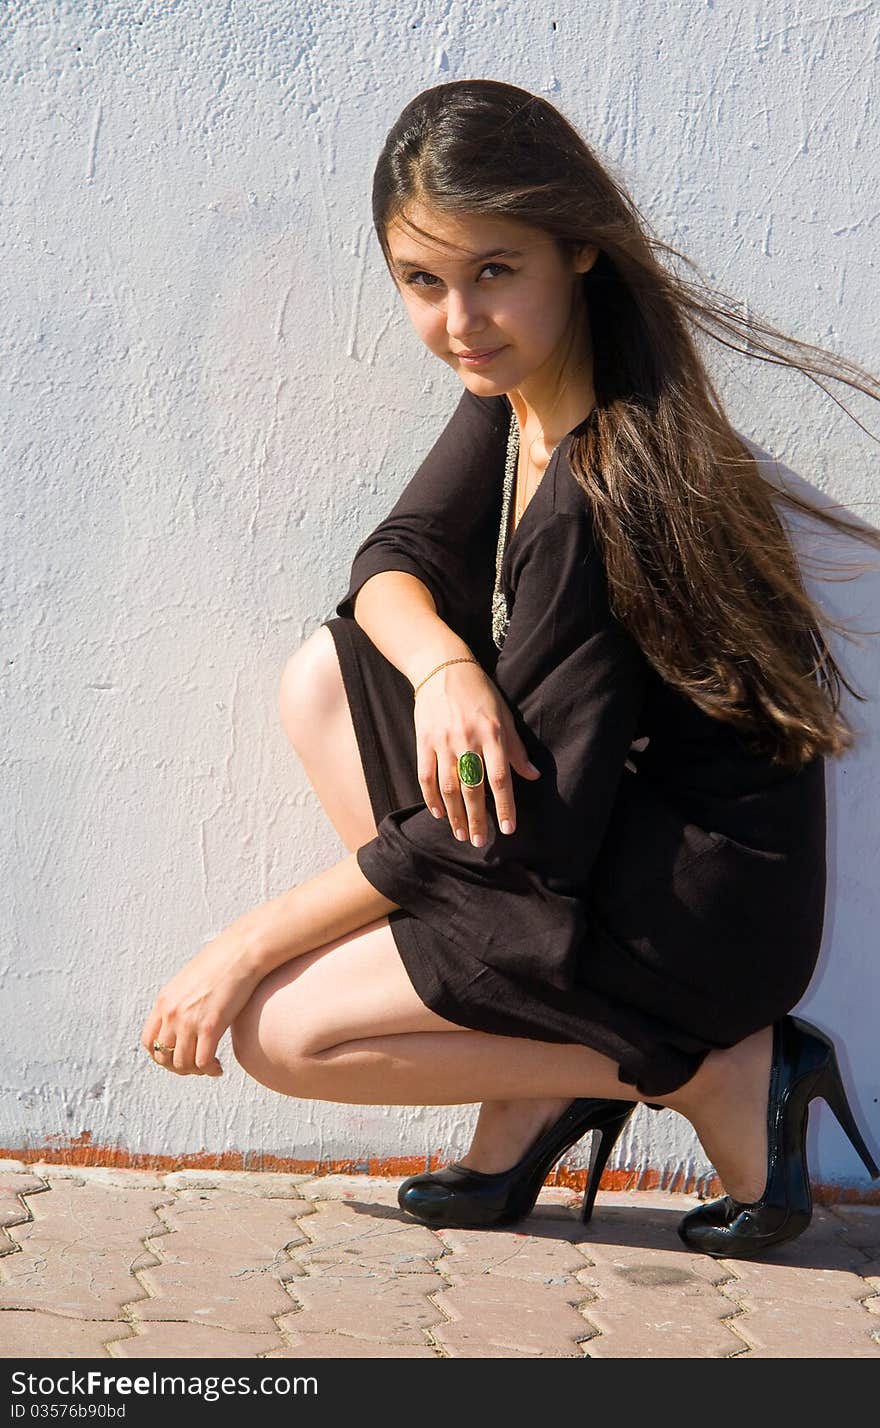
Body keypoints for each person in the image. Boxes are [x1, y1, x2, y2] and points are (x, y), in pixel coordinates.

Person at [141, 80, 880, 1259]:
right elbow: (391, 560)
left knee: (282, 1034)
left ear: (575, 247)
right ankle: (538, 1092)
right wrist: (444, 668)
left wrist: (244, 945)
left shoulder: (610, 480)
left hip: (702, 918)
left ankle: (715, 1066)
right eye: (422, 282)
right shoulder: (516, 394)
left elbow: (502, 836)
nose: (458, 320)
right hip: (595, 841)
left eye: (494, 271)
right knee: (327, 677)